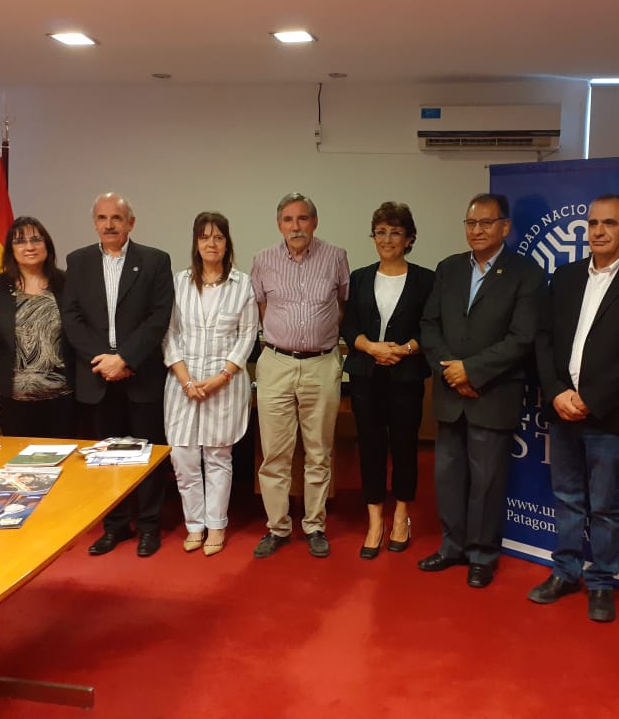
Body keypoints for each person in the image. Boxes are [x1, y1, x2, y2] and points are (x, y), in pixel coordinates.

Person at [529, 195, 619, 621]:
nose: (598, 231)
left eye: (609, 223)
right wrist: (556, 391)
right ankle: (565, 572)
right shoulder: (566, 276)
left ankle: (602, 582)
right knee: (567, 497)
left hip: (610, 414)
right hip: (562, 408)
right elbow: (543, 338)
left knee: (605, 506)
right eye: (592, 223)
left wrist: (591, 398)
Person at [418, 193, 543, 588]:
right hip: (450, 393)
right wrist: (452, 371)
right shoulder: (449, 268)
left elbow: (522, 337)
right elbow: (429, 325)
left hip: (492, 393)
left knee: (487, 482)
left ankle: (481, 555)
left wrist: (471, 372)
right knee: (448, 477)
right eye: (471, 223)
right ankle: (451, 547)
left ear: (505, 227)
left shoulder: (526, 273)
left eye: (486, 223)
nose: (477, 230)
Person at [62, 192, 174, 558]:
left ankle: (149, 526)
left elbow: (159, 317)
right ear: (94, 222)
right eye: (102, 218)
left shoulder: (155, 261)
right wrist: (103, 361)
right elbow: (72, 317)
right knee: (105, 456)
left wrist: (125, 358)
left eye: (116, 218)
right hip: (97, 376)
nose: (109, 225)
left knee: (148, 454)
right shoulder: (77, 262)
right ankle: (115, 525)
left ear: (131, 223)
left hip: (141, 374)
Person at [250, 192, 350, 559]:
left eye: (303, 218)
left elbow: (342, 305)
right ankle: (277, 526)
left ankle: (314, 525)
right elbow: (262, 307)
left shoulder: (336, 257)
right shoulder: (263, 260)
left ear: (314, 222)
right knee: (275, 453)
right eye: (289, 220)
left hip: (322, 363)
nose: (296, 226)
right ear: (279, 225)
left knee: (318, 452)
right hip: (276, 362)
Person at [341, 202, 434, 559]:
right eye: (381, 231)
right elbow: (349, 326)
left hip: (406, 376)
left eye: (395, 232)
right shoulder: (360, 277)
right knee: (370, 447)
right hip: (365, 374)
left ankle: (400, 516)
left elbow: (432, 327)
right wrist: (370, 347)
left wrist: (406, 349)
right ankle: (374, 520)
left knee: (405, 447)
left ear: (409, 239)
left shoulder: (426, 279)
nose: (387, 239)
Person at [163, 212, 258, 556]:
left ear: (227, 243)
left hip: (225, 382)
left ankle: (216, 525)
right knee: (183, 457)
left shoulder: (242, 284)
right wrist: (187, 380)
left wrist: (222, 377)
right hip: (183, 384)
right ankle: (194, 525)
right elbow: (169, 334)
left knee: (218, 456)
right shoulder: (180, 282)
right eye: (204, 237)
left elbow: (247, 335)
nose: (211, 243)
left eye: (218, 237)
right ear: (196, 242)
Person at [0, 216, 77, 438]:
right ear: (11, 249)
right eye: (20, 241)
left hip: (64, 399)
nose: (29, 247)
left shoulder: (68, 284)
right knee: (18, 456)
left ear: (47, 245)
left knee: (65, 455)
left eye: (36, 239)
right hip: (12, 399)